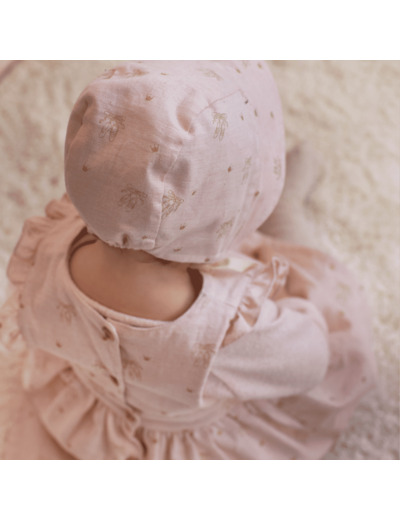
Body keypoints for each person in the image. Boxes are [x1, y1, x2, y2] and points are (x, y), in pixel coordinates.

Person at [0, 61, 376, 460]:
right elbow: (311, 362)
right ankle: (286, 213)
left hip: (92, 415)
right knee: (323, 285)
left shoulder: (48, 244)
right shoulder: (226, 331)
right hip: (193, 436)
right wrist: (298, 308)